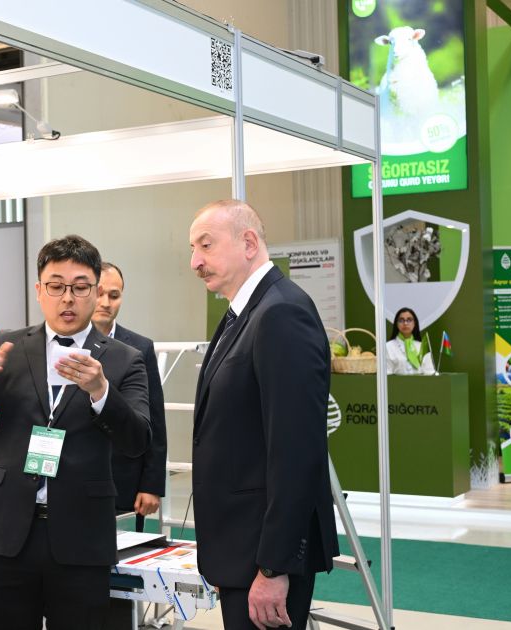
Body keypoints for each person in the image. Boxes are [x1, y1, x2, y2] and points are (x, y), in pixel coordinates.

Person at [0, 235, 151, 629]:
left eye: (80, 287)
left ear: (96, 292)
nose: (67, 298)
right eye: (56, 286)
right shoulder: (6, 346)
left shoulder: (125, 360)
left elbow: (138, 440)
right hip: (6, 533)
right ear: (39, 291)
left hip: (81, 537)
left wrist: (101, 392)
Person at [189, 200, 338, 630]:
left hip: (264, 558)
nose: (195, 261)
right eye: (193, 249)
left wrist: (274, 567)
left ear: (249, 243)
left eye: (205, 245)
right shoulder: (245, 313)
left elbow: (297, 452)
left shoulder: (281, 313)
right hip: (241, 548)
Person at [92, 262, 167, 532]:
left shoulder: (139, 348)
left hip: (124, 479)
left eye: (114, 295)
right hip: (72, 478)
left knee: (124, 554)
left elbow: (155, 419)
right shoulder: (65, 343)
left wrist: (152, 484)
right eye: (99, 293)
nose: (106, 303)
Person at [385, 308, 436, 375]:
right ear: (396, 324)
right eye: (401, 320)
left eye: (409, 320)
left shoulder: (422, 346)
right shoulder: (388, 346)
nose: (405, 323)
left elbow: (430, 373)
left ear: (414, 323)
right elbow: (386, 374)